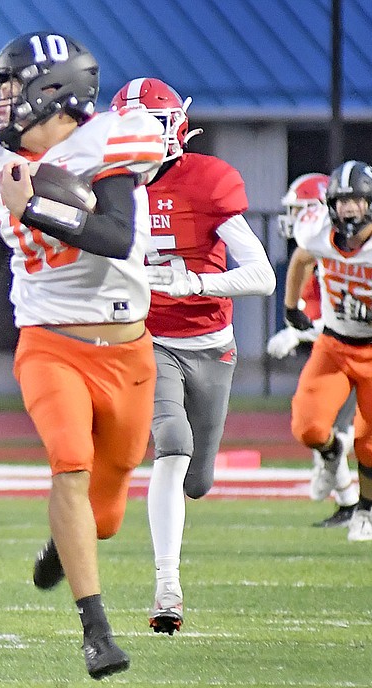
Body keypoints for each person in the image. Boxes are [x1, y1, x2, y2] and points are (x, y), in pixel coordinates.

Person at [0, 32, 164, 680]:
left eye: (12, 86)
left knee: (103, 514)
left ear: (53, 91)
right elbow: (2, 242)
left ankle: (64, 542)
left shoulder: (111, 141)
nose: (1, 100)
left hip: (127, 349)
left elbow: (115, 234)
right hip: (49, 344)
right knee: (69, 466)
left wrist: (39, 208)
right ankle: (96, 630)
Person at [108, 78, 276, 634]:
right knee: (171, 445)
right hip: (147, 339)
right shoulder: (106, 187)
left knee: (196, 479)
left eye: (148, 126)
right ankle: (167, 587)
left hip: (210, 345)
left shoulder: (206, 181)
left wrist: (194, 283)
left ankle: (171, 558)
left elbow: (263, 276)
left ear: (174, 127)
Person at [269, 173, 372, 522]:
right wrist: (294, 318)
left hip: (371, 348)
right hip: (334, 348)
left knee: (354, 437)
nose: (296, 218)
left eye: (301, 209)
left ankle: (352, 502)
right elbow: (315, 295)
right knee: (321, 429)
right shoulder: (317, 245)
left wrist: (301, 333)